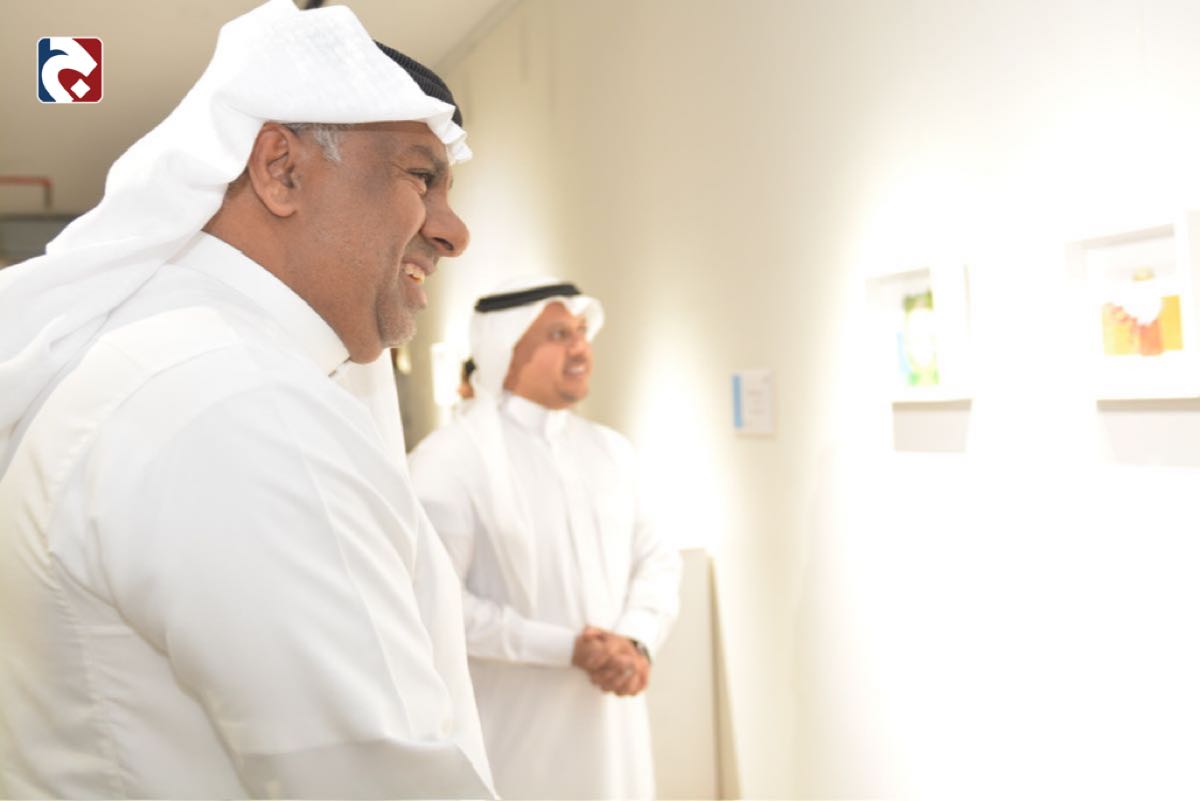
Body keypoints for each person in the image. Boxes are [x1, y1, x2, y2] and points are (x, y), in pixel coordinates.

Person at [0, 1, 495, 797]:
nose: (453, 230)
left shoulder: (188, 368)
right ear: (281, 170)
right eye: (421, 176)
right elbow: (368, 776)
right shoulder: (239, 404)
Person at [409, 276, 682, 800]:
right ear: (506, 351)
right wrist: (565, 649)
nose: (580, 348)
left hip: (614, 731)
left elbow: (657, 559)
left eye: (581, 332)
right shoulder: (448, 462)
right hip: (511, 734)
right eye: (559, 335)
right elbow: (436, 605)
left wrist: (634, 640)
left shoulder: (612, 451)